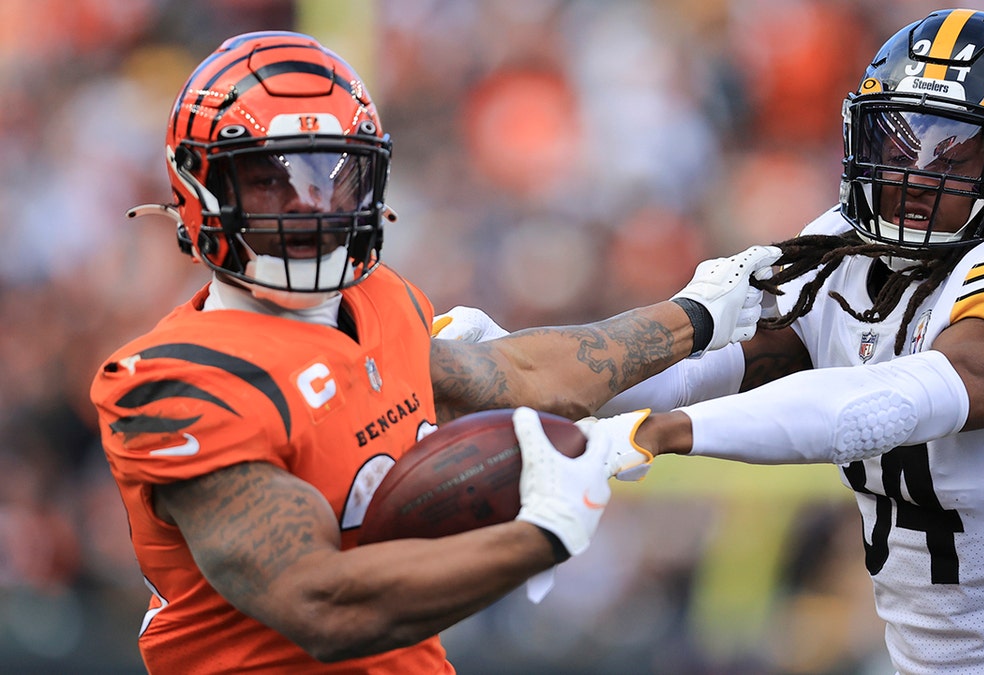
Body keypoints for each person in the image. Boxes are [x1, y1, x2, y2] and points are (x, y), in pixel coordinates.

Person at [440, 9, 984, 674]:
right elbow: (697, 373)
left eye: (952, 152)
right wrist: (509, 363)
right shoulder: (844, 257)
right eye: (898, 137)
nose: (912, 173)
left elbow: (905, 397)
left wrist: (653, 436)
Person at [91, 31, 779, 674]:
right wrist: (545, 528)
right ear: (198, 186)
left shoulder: (379, 303)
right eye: (269, 178)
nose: (307, 204)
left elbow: (518, 373)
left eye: (329, 173)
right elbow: (324, 604)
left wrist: (699, 312)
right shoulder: (175, 382)